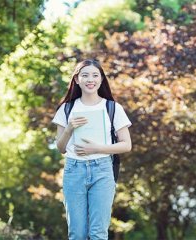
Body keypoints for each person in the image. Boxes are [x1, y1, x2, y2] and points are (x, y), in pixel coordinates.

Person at [52, 59, 132, 240]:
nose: (91, 79)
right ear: (77, 80)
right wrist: (69, 128)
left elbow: (126, 144)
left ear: (101, 80)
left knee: (98, 233)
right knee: (77, 234)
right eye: (85, 75)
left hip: (103, 170)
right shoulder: (66, 109)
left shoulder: (112, 108)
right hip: (74, 170)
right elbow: (61, 148)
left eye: (95, 75)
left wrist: (97, 148)